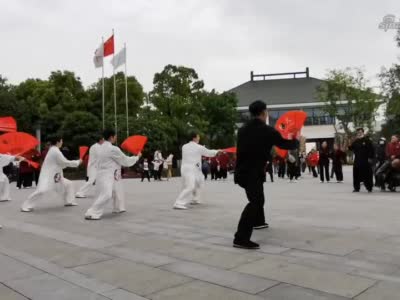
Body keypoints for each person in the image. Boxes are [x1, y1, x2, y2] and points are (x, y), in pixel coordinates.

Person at [233, 100, 299, 249]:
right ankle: (240, 238)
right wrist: (296, 140)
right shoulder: (267, 130)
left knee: (259, 197)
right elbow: (284, 144)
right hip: (253, 172)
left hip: (242, 171)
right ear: (264, 113)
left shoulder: (242, 129)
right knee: (255, 202)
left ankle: (258, 222)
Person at [85, 129, 141, 220]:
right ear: (111, 137)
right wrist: (137, 157)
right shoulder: (113, 149)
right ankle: (92, 211)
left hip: (101, 174)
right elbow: (125, 160)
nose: (116, 137)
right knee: (107, 194)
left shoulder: (100, 147)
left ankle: (118, 207)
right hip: (107, 175)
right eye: (115, 136)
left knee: (115, 190)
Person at [21, 136, 81, 212]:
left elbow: (61, 163)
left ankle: (69, 201)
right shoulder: (55, 151)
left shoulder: (53, 150)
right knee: (42, 190)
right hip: (48, 176)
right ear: (58, 142)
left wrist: (72, 163)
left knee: (69, 184)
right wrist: (77, 162)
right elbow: (65, 162)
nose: (62, 143)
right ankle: (26, 205)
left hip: (55, 175)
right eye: (61, 141)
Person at [173, 132, 219, 209]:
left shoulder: (185, 146)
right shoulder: (198, 147)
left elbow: (204, 151)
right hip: (191, 169)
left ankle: (195, 199)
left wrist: (215, 151)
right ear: (194, 138)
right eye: (198, 137)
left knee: (199, 182)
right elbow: (208, 152)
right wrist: (217, 152)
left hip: (189, 168)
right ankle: (178, 202)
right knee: (190, 186)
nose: (199, 138)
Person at [349, 128, 375, 192]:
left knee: (367, 174)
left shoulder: (367, 140)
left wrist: (370, 158)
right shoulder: (356, 141)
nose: (359, 133)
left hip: (365, 160)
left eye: (360, 132)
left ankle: (369, 187)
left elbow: (371, 150)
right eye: (358, 132)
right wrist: (350, 142)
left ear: (363, 132)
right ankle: (356, 188)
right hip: (357, 160)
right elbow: (350, 148)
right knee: (356, 174)